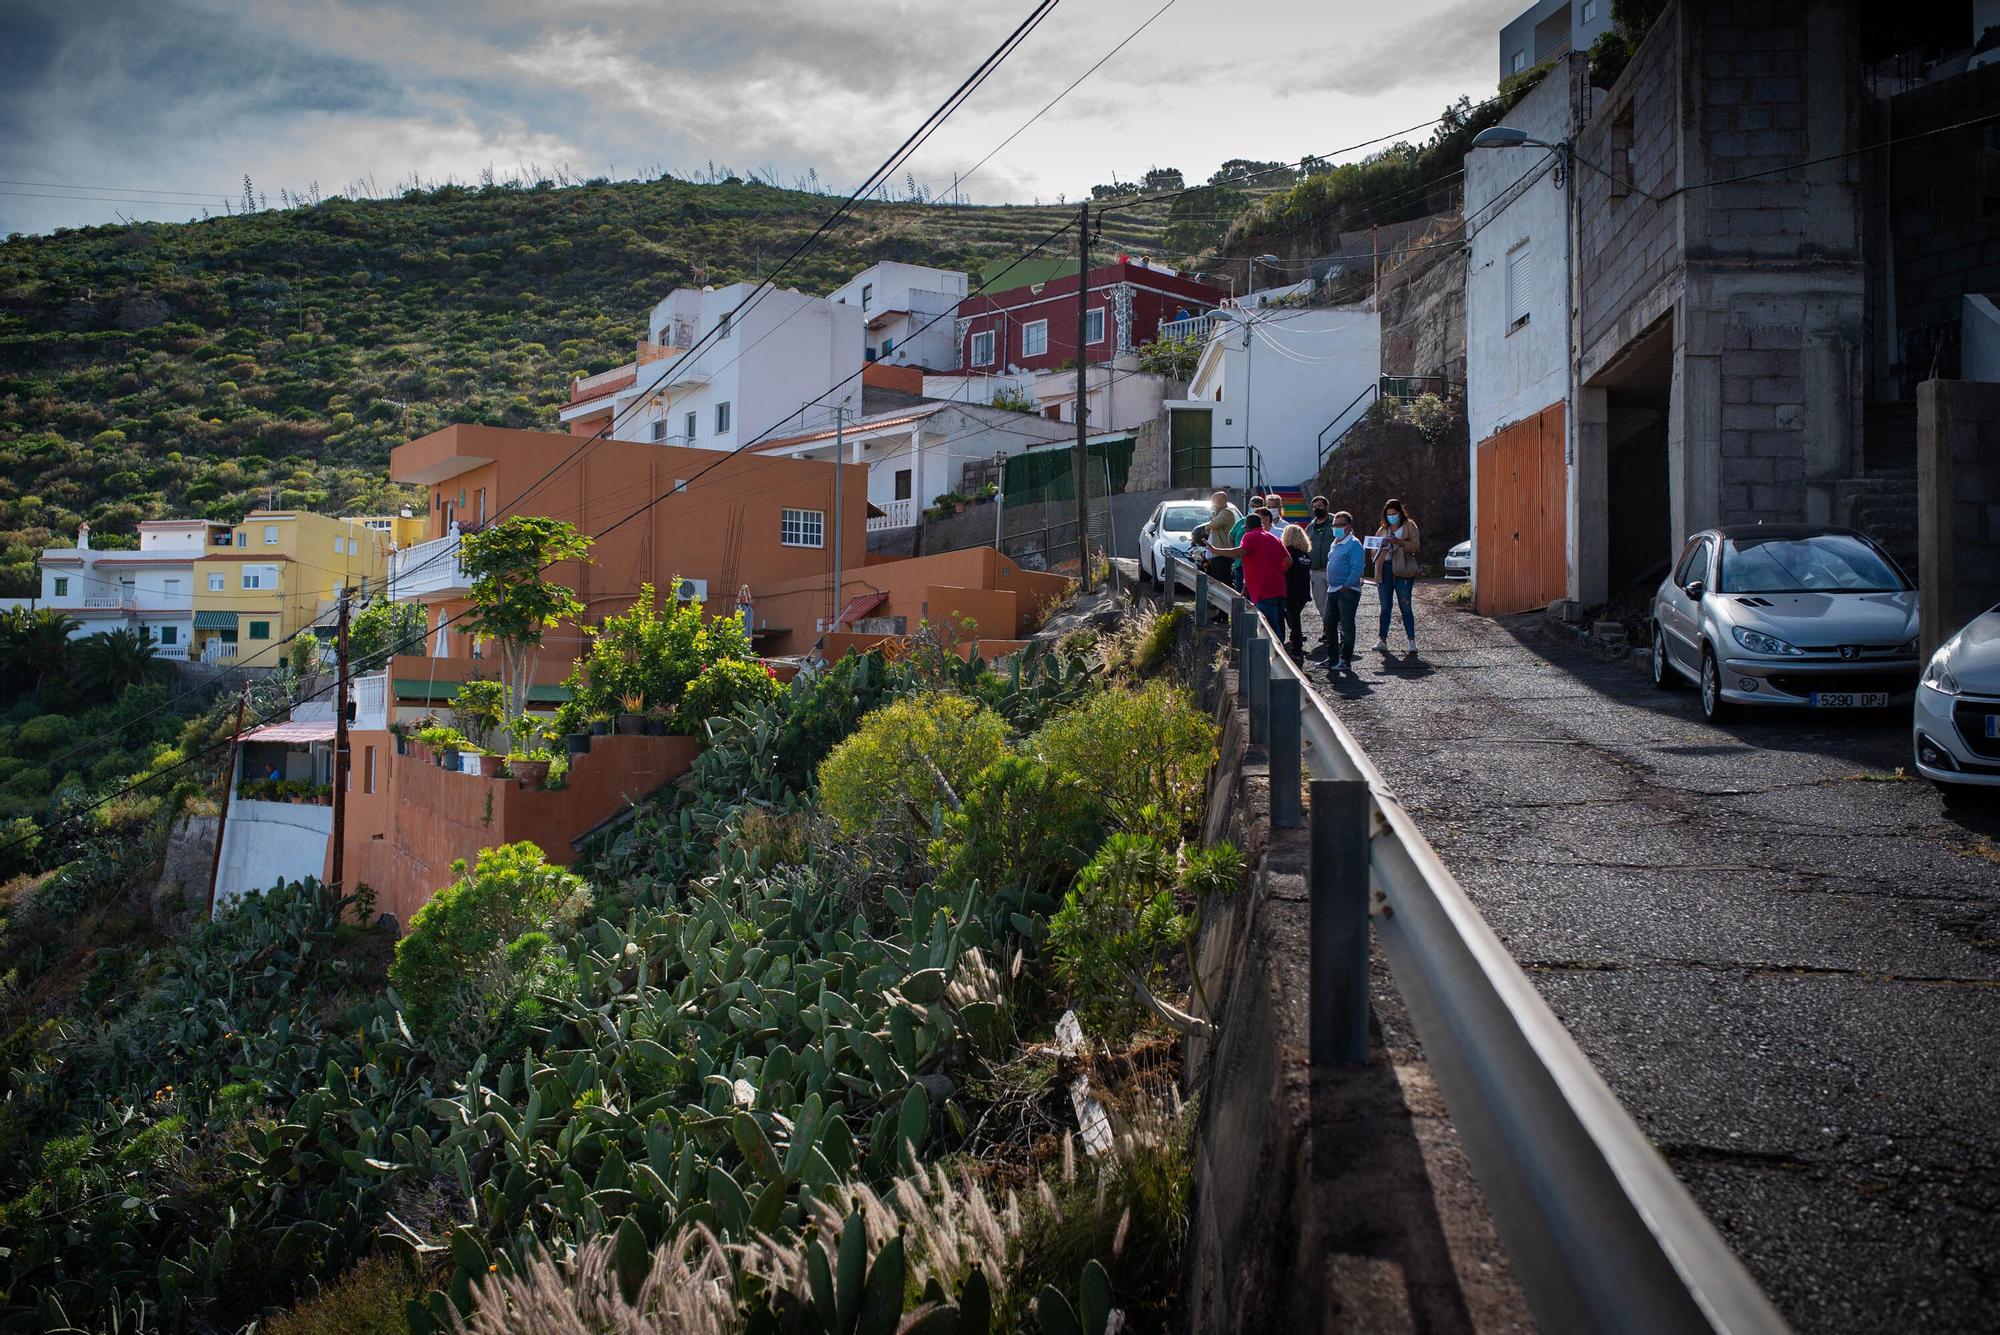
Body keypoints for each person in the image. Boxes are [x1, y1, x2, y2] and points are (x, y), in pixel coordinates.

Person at [1206, 512, 1292, 638]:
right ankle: (1280, 653)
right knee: (1278, 624)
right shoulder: (1274, 538)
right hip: (1279, 588)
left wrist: (1215, 550)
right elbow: (1288, 561)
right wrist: (1277, 573)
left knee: (1269, 629)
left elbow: (1240, 552)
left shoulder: (1250, 536)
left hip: (1263, 590)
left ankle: (1274, 656)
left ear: (1246, 527)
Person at [1373, 497, 1422, 653]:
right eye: (1388, 514)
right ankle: (1382, 639)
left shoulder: (1410, 526)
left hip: (1403, 569)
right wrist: (1381, 548)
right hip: (1385, 568)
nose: (1391, 517)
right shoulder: (1382, 530)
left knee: (1405, 605)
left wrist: (1399, 543)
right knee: (1385, 606)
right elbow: (1373, 551)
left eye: (1394, 513)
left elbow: (1415, 546)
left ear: (1400, 513)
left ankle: (1412, 640)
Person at [1324, 509, 1365, 674]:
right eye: (1334, 525)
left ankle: (1345, 660)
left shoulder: (1354, 544)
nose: (1336, 527)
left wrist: (1347, 585)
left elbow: (1357, 568)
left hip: (1347, 590)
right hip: (1333, 589)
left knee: (1347, 625)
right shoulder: (1335, 543)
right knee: (1329, 624)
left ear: (1348, 526)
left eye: (1339, 525)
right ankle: (1332, 657)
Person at [1303, 496, 1336, 653]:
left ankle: (1339, 632)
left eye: (1320, 505)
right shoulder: (1310, 527)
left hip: (1333, 570)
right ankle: (1327, 630)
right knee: (1321, 603)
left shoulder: (1336, 523)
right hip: (1315, 570)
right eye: (1314, 505)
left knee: (1336, 603)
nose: (1317, 508)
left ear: (1327, 506)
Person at [1281, 521, 1312, 656]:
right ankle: (1296, 641)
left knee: (1294, 619)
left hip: (1290, 590)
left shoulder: (1288, 554)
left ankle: (1297, 648)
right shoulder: (1305, 555)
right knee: (1294, 617)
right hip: (1303, 591)